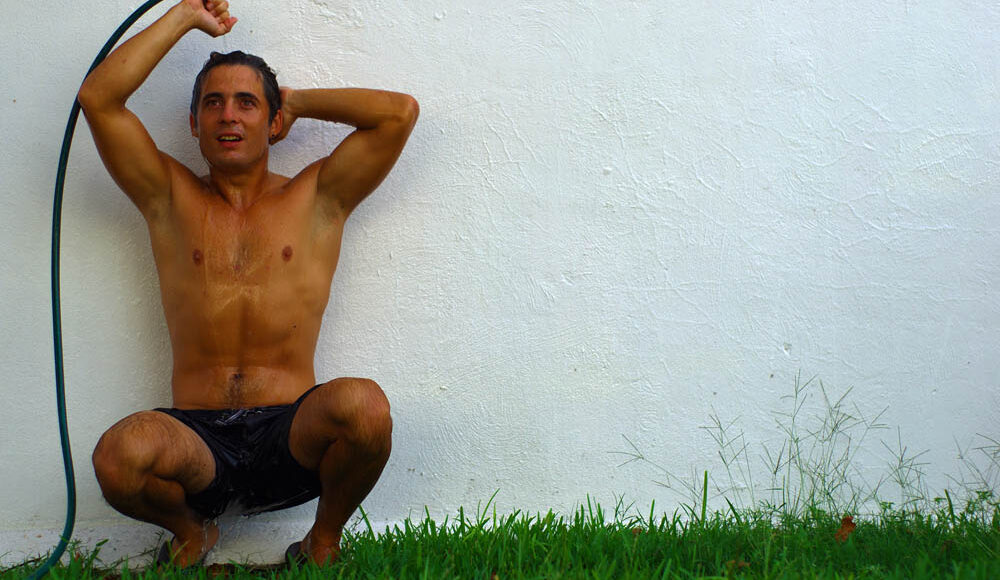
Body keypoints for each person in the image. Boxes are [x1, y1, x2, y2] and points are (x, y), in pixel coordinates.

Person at [77, 0, 418, 568]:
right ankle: (192, 533)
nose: (228, 116)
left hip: (290, 433)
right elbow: (98, 98)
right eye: (212, 103)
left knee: (365, 407)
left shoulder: (317, 197)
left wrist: (296, 101)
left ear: (273, 122)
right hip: (199, 441)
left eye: (247, 103)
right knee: (118, 457)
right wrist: (185, 14)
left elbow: (398, 115)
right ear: (194, 124)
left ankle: (322, 542)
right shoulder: (167, 196)